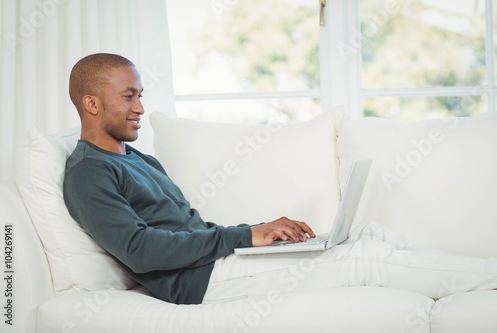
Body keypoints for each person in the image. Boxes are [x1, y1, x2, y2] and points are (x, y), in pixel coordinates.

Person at [63, 53, 497, 306]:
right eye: (129, 96)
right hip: (198, 283)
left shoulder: (138, 158)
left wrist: (260, 235)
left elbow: (188, 229)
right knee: (366, 262)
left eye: (140, 94)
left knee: (367, 235)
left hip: (218, 263)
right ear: (92, 103)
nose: (140, 107)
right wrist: (244, 236)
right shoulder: (88, 173)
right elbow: (140, 251)